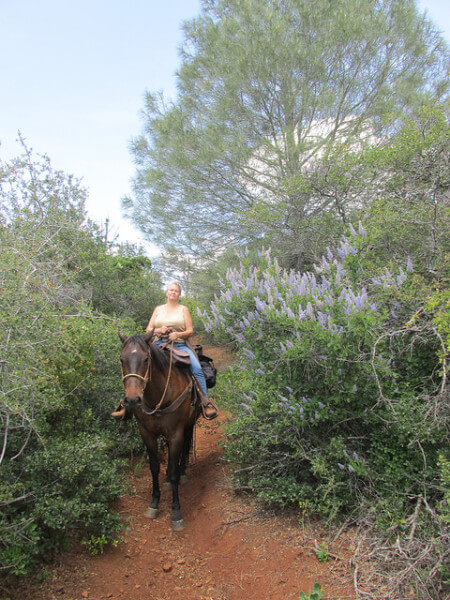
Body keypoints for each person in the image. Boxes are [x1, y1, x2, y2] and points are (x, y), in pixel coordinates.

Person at [146, 282, 217, 420]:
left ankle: (205, 403)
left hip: (180, 345)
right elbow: (148, 329)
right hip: (159, 343)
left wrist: (177, 335)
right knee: (139, 362)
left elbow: (190, 331)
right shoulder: (158, 309)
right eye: (171, 290)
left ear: (179, 294)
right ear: (166, 293)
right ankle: (128, 404)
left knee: (196, 368)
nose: (173, 292)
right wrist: (159, 330)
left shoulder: (183, 309)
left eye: (176, 291)